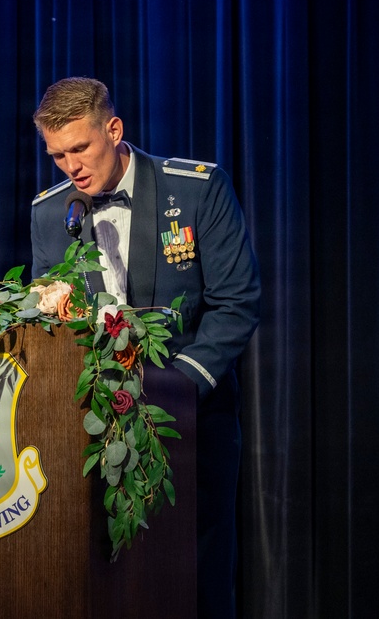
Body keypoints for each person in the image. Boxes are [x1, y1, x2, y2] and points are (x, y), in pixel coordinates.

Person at [30, 77, 260, 618]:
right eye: (57, 155)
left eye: (80, 149)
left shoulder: (198, 189)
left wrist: (177, 387)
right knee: (103, 581)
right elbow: (47, 317)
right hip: (91, 431)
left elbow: (236, 302)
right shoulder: (49, 212)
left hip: (192, 418)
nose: (71, 168)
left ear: (114, 129)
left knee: (197, 578)